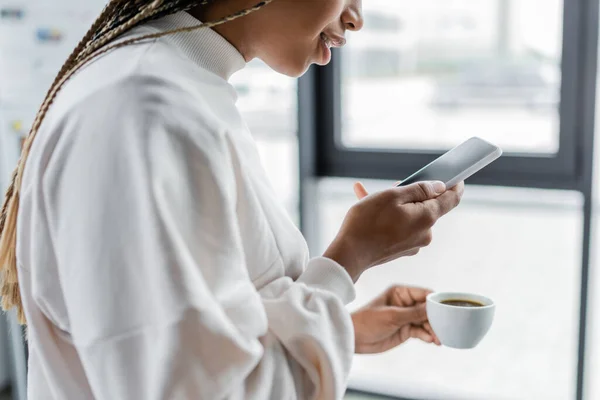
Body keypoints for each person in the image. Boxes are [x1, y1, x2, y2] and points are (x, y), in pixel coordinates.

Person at [0, 0, 464, 398]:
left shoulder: (180, 86)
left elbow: (196, 342)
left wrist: (348, 330)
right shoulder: (146, 109)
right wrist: (350, 257)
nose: (357, 16)